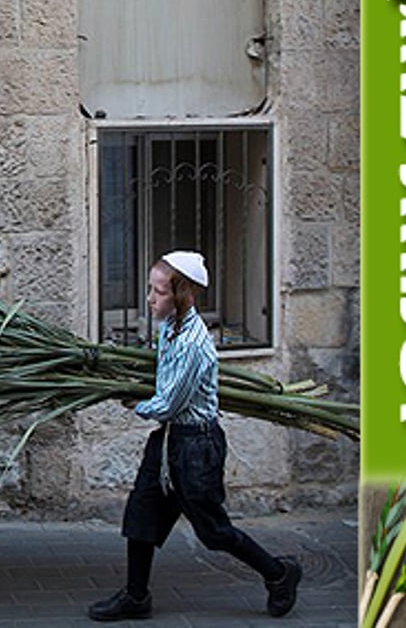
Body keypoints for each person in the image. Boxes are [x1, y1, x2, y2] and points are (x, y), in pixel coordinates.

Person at [88, 251, 302, 621]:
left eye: (158, 292)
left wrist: (130, 401)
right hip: (170, 440)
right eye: (150, 290)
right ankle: (136, 597)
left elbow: (167, 403)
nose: (150, 299)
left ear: (182, 295)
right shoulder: (168, 327)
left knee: (214, 532)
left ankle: (279, 574)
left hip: (195, 447)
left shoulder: (192, 343)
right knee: (141, 513)